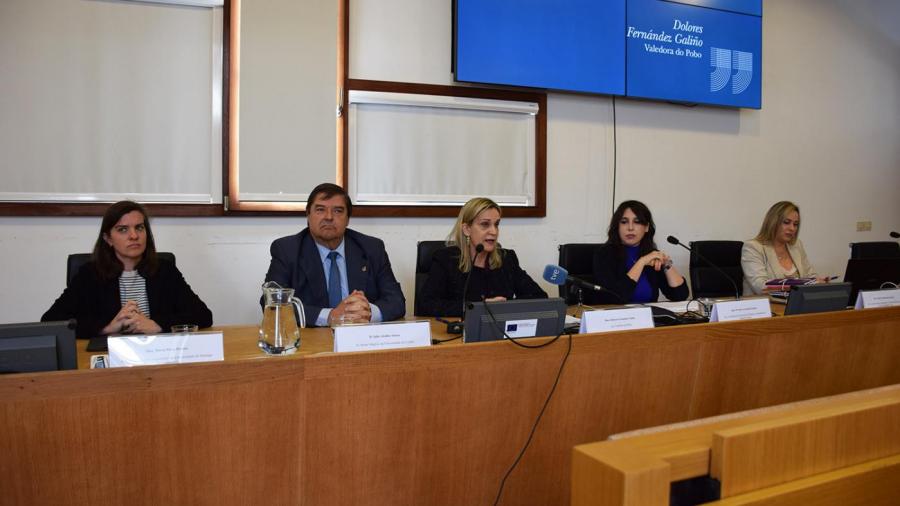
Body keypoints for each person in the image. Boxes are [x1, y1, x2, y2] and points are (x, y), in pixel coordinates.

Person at [42, 201, 213, 337]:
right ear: (108, 238)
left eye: (139, 227)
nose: (134, 236)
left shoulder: (165, 271)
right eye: (123, 229)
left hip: (157, 354)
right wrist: (108, 327)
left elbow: (203, 315)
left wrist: (157, 325)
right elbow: (51, 322)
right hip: (110, 357)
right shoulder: (89, 274)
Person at [263, 183, 406, 327]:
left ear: (348, 218)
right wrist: (330, 316)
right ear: (308, 215)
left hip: (360, 339)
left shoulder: (372, 248)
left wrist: (368, 312)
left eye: (338, 211)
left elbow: (396, 301)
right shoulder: (287, 250)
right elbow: (272, 303)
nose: (329, 217)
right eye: (320, 210)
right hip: (312, 342)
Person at [418, 197, 547, 317]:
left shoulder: (506, 259)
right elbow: (425, 305)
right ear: (467, 229)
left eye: (496, 224)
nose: (494, 231)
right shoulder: (446, 260)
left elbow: (539, 297)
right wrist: (478, 308)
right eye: (485, 224)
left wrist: (505, 305)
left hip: (500, 334)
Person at [592, 200, 689, 304]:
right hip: (617, 317)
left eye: (637, 222)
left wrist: (667, 264)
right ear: (617, 227)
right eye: (624, 222)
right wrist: (641, 262)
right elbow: (615, 298)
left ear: (646, 227)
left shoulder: (652, 255)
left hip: (649, 316)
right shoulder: (604, 254)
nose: (630, 228)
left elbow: (680, 296)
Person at [741, 201, 826, 295]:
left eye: (795, 224)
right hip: (765, 306)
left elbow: (810, 275)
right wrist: (795, 285)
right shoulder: (753, 247)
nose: (792, 228)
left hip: (795, 305)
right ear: (773, 222)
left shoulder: (796, 245)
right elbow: (760, 287)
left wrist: (819, 282)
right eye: (786, 222)